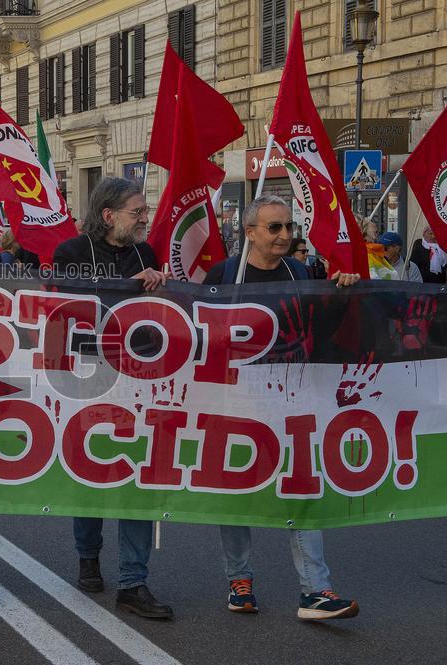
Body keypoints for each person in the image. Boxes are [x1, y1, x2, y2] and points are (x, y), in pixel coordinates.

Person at [203, 195, 360, 621]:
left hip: (292, 400)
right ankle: (239, 581)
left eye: (290, 227)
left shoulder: (300, 271)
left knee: (301, 489)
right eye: (275, 228)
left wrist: (339, 290)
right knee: (236, 493)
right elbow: (197, 332)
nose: (286, 236)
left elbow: (323, 326)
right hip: (236, 399)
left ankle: (316, 591)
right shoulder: (223, 274)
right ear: (249, 232)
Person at [51, 177, 171, 620]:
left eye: (144, 211)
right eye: (137, 212)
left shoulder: (146, 252)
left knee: (137, 473)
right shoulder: (71, 253)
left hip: (140, 377)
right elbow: (68, 307)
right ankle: (88, 556)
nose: (144, 219)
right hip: (86, 378)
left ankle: (133, 581)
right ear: (108, 216)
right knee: (90, 471)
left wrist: (159, 284)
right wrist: (125, 287)